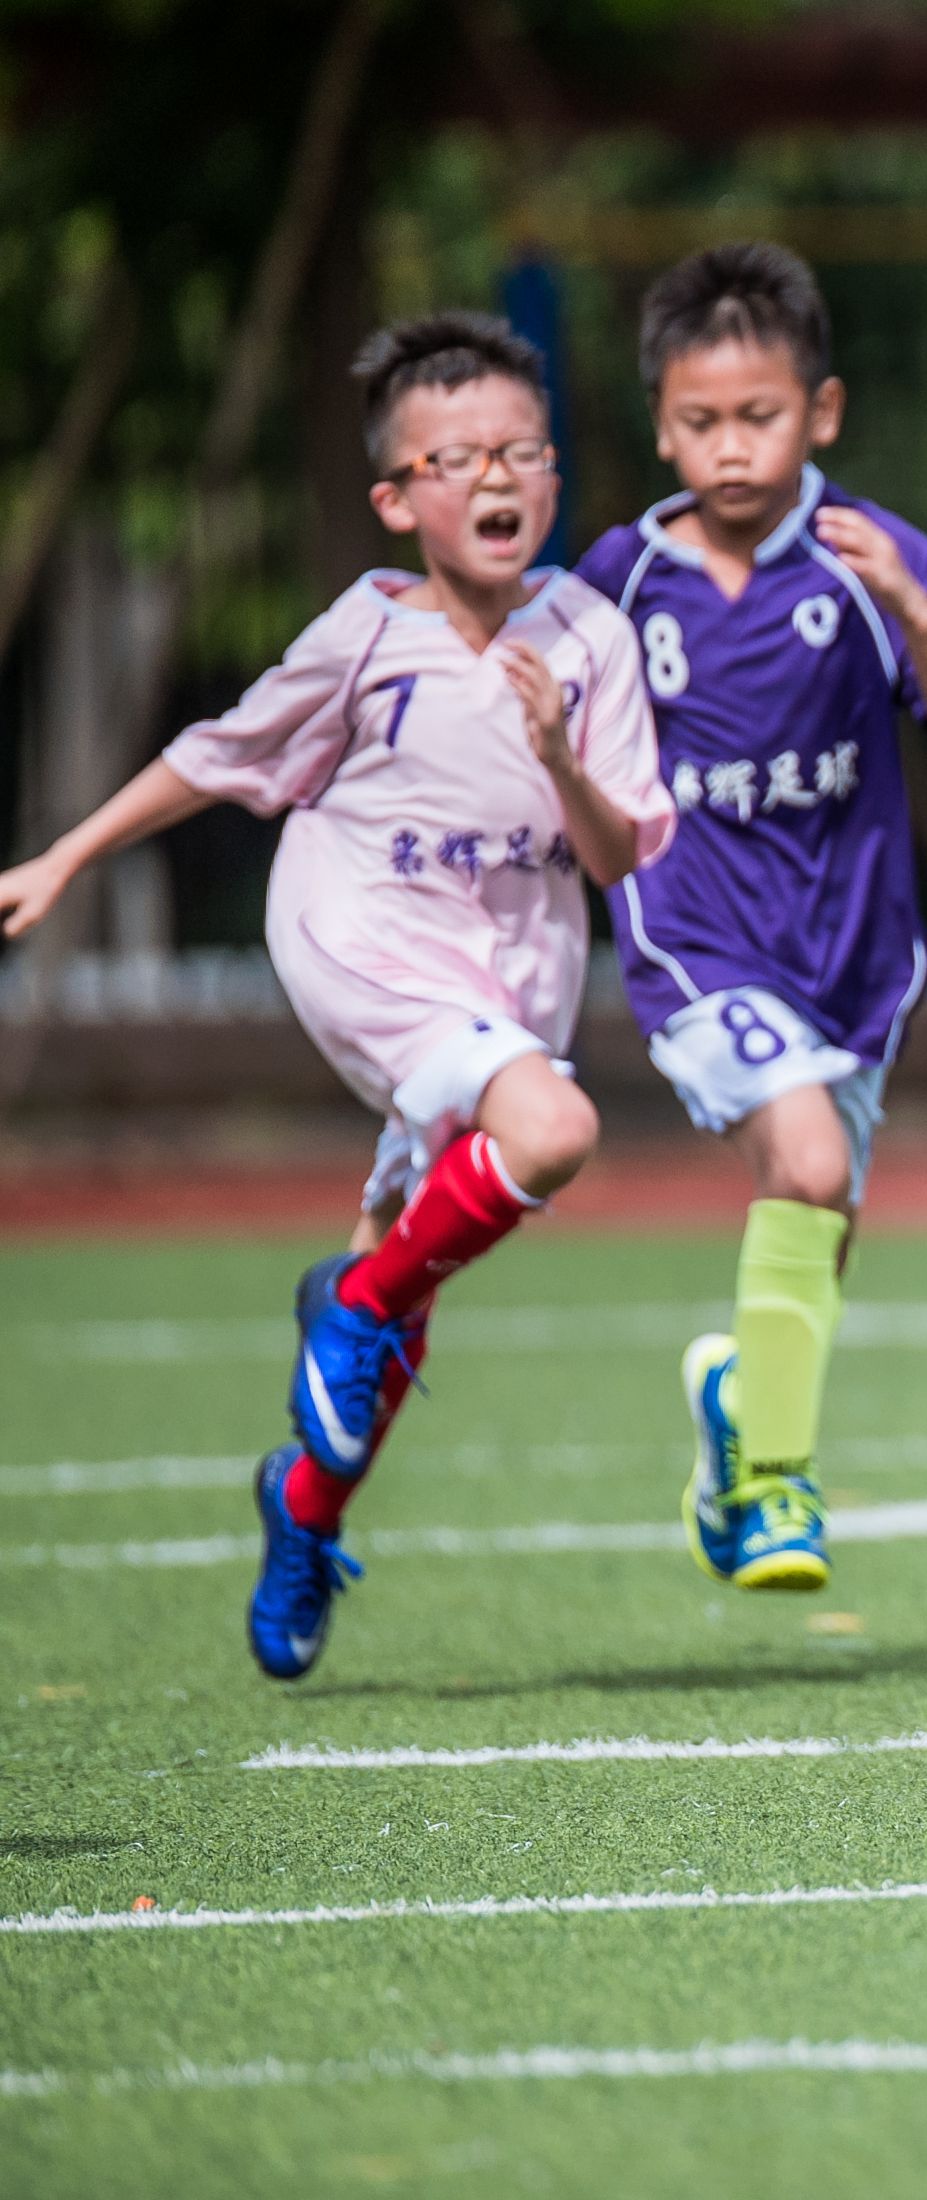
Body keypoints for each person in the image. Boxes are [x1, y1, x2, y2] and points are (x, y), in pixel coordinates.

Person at [0, 314, 673, 1678]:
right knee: (550, 1137)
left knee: (395, 1314)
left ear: (553, 478)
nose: (497, 476)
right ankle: (352, 1303)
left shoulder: (594, 639)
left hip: (509, 970)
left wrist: (557, 752)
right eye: (460, 454)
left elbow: (612, 856)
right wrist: (64, 854)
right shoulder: (366, 631)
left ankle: (303, 1508)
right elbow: (217, 754)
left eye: (523, 451)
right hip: (356, 923)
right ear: (398, 494)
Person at [577, 242, 927, 1594]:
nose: (730, 448)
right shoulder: (621, 580)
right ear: (661, 426)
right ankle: (774, 1487)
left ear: (820, 412)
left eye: (757, 417)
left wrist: (918, 617)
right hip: (698, 942)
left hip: (855, 963)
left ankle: (736, 1417)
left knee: (816, 1217)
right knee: (808, 1169)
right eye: (700, 423)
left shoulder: (871, 563)